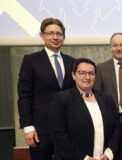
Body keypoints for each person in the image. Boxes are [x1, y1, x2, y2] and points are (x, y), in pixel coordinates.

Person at [17, 18, 75, 160]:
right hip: (41, 130)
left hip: (68, 129)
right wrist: (28, 127)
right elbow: (24, 96)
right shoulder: (30, 60)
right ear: (42, 36)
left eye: (59, 34)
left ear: (64, 37)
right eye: (50, 33)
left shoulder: (72, 62)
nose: (55, 37)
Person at [49, 58, 121, 160]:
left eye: (91, 73)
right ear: (74, 75)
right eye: (82, 73)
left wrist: (109, 153)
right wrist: (84, 158)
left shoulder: (107, 99)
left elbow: (116, 128)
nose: (87, 77)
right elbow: (58, 135)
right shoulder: (62, 99)